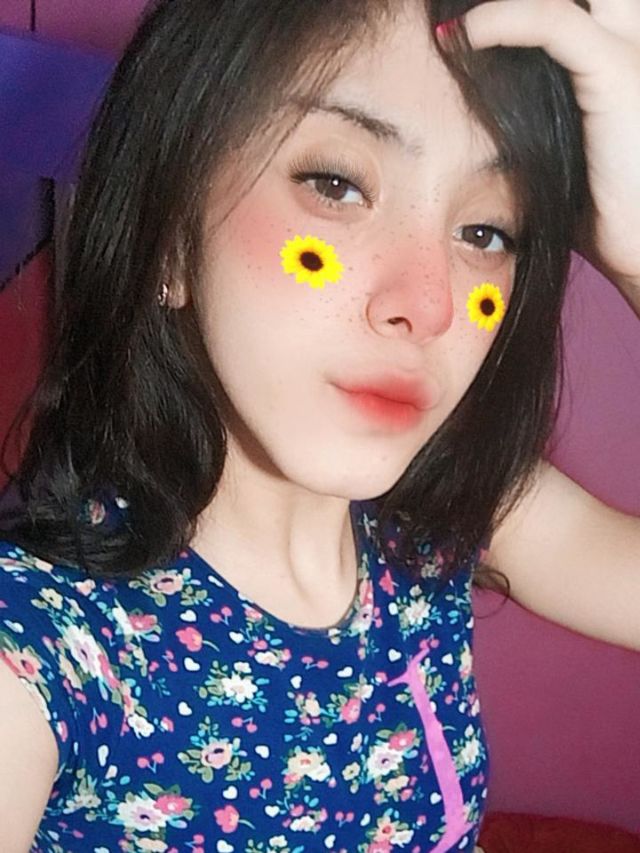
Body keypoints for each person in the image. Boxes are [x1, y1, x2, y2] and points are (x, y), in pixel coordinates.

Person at [0, 0, 638, 850]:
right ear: (170, 240)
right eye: (337, 185)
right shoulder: (43, 645)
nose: (429, 304)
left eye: (485, 230)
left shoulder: (440, 519)